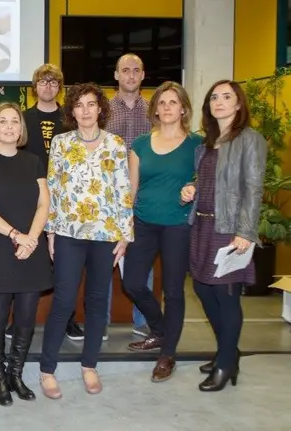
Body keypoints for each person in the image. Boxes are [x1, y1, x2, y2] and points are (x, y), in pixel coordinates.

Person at [39, 83, 134, 399]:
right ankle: (47, 369)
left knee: (97, 302)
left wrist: (125, 235)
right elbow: (52, 189)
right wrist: (51, 232)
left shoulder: (116, 144)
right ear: (72, 111)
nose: (85, 111)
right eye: (79, 105)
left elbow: (123, 192)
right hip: (68, 233)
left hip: (105, 235)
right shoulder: (62, 143)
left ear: (100, 108)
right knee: (64, 301)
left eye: (91, 104)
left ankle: (89, 365)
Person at [180, 80, 267, 392]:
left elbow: (253, 188)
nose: (219, 102)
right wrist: (192, 188)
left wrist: (245, 231)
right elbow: (208, 181)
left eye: (226, 97)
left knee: (226, 298)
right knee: (203, 291)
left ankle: (226, 363)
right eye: (214, 97)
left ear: (239, 104)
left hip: (230, 230)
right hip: (203, 227)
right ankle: (229, 351)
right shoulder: (206, 144)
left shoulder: (249, 140)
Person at [0, 102, 52, 406]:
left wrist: (31, 238)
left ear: (21, 128)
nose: (8, 127)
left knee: (27, 316)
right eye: (2, 121)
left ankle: (16, 374)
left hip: (31, 247)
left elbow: (44, 203)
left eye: (14, 122)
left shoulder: (33, 161)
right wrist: (16, 236)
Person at [121, 82, 201, 382]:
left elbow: (207, 178)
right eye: (162, 102)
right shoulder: (140, 144)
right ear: (154, 109)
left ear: (183, 108)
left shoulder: (197, 144)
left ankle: (167, 355)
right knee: (132, 282)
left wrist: (194, 187)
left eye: (173, 102)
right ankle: (160, 330)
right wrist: (124, 225)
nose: (167, 107)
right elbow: (131, 189)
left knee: (173, 291)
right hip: (143, 223)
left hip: (178, 225)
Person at [21, 63, 83, 341]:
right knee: (30, 259)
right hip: (30, 200)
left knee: (64, 263)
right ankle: (21, 321)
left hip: (64, 201)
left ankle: (68, 319)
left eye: (53, 83)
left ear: (59, 88)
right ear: (35, 88)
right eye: (43, 82)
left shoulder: (70, 120)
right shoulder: (22, 119)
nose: (48, 87)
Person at [106, 53, 153, 338]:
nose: (131, 75)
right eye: (125, 70)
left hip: (143, 198)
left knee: (140, 260)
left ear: (143, 75)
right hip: (108, 199)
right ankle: (101, 322)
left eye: (136, 70)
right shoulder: (104, 110)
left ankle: (143, 320)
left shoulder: (154, 111)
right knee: (104, 260)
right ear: (116, 75)